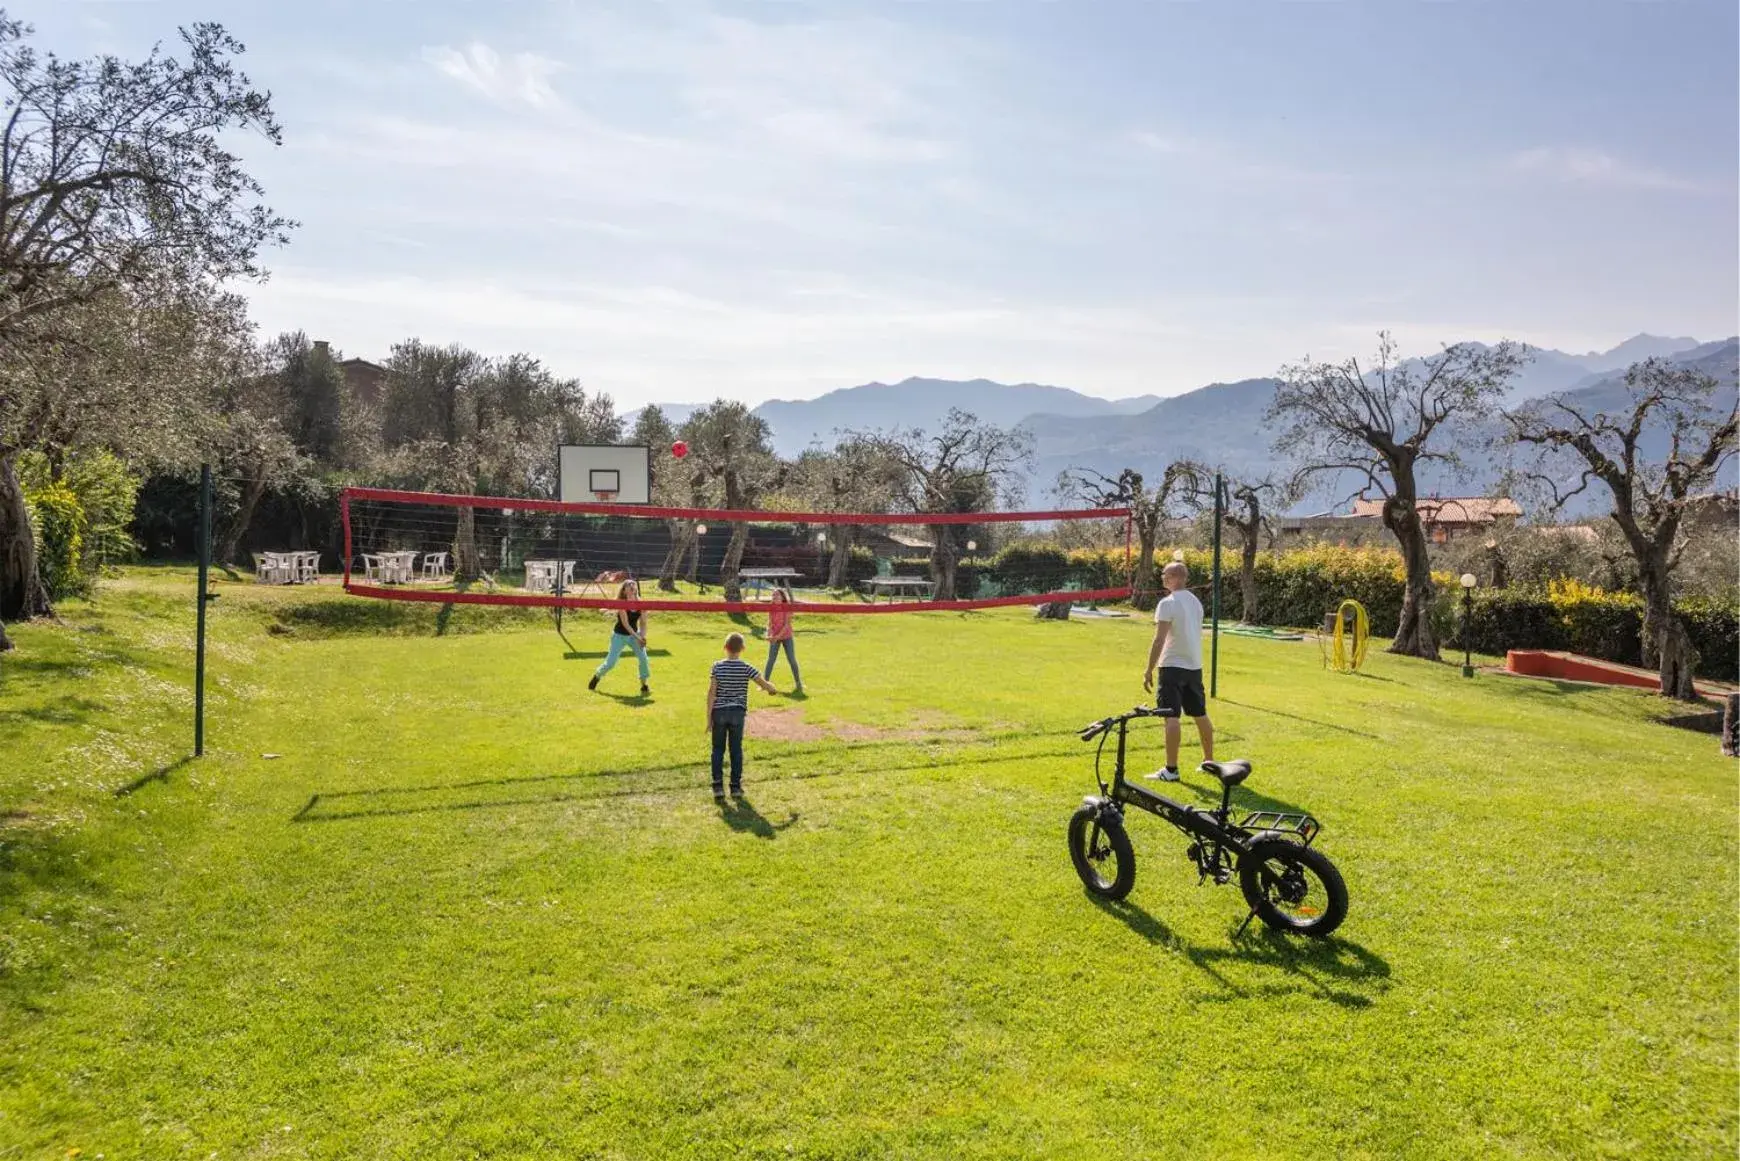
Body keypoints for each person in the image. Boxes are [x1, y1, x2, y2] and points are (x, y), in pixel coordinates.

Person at [1141, 560, 1214, 780]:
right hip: (1194, 666)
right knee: (1200, 714)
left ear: (1175, 577)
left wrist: (1148, 669)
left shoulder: (1167, 603)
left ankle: (1171, 770)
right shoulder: (1195, 602)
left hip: (1172, 666)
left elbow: (1159, 639)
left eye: (1165, 575)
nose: (1163, 578)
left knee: (1171, 717)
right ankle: (1208, 762)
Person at [706, 631, 778, 798]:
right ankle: (735, 787)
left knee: (717, 749)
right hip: (737, 714)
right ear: (743, 648)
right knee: (736, 750)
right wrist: (772, 689)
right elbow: (764, 684)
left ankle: (717, 786)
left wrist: (709, 717)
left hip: (719, 713)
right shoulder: (746, 667)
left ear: (725, 647)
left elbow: (711, 693)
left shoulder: (717, 666)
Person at [589, 578, 650, 696]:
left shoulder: (641, 603)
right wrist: (638, 638)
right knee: (611, 663)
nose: (632, 586)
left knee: (643, 659)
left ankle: (644, 685)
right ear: (624, 590)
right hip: (620, 636)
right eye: (628, 585)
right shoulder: (622, 603)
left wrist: (642, 637)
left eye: (633, 584)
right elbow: (626, 625)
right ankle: (597, 676)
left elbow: (643, 623)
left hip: (635, 636)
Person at [764, 587, 804, 693]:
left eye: (777, 595)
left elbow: (787, 624)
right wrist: (769, 634)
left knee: (792, 659)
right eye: (773, 595)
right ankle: (764, 684)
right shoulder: (771, 607)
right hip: (775, 636)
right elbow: (769, 622)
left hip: (786, 636)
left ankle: (798, 683)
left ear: (782, 597)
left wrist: (777, 636)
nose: (775, 597)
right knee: (771, 660)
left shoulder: (787, 607)